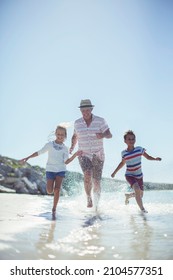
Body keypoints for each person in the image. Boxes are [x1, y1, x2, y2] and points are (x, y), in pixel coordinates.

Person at [20, 125, 82, 216]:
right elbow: (39, 152)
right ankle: (53, 201)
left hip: (60, 170)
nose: (60, 136)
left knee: (57, 189)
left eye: (62, 134)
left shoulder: (65, 148)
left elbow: (66, 161)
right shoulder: (49, 145)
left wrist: (75, 154)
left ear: (65, 136)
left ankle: (54, 208)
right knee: (49, 191)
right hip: (50, 170)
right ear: (55, 134)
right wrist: (27, 157)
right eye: (58, 134)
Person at [70, 99, 112, 209]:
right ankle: (89, 198)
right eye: (83, 110)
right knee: (87, 175)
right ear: (80, 111)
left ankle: (97, 206)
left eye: (87, 110)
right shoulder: (77, 123)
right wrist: (72, 147)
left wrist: (102, 135)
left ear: (91, 109)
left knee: (96, 181)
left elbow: (109, 134)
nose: (85, 113)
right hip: (83, 153)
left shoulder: (100, 121)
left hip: (98, 154)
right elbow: (75, 136)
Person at [111, 130, 162, 213]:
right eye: (129, 139)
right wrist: (114, 172)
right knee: (137, 189)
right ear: (125, 141)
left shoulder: (139, 149)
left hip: (139, 176)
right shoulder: (124, 153)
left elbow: (147, 156)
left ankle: (128, 196)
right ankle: (143, 210)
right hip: (129, 175)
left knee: (140, 195)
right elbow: (122, 163)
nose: (131, 141)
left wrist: (155, 159)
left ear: (135, 140)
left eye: (133, 139)